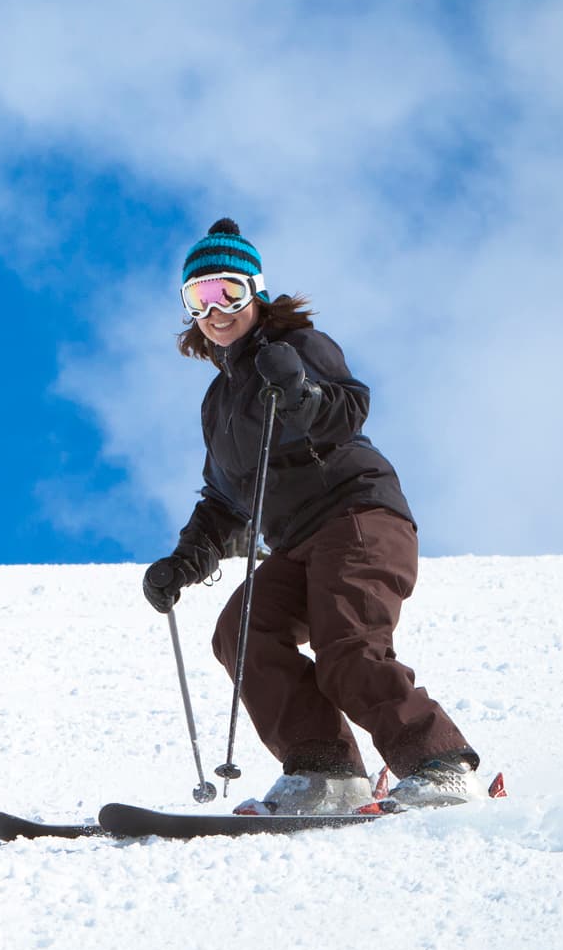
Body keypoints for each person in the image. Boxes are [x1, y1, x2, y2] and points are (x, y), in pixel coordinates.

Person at [140, 220, 480, 813]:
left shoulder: (294, 347)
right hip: (295, 541)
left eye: (228, 292)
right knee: (242, 631)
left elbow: (349, 405)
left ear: (256, 292)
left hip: (357, 515)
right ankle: (325, 770)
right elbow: (224, 502)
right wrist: (182, 563)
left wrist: (300, 394)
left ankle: (439, 765)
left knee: (345, 641)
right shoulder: (219, 402)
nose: (215, 310)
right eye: (199, 298)